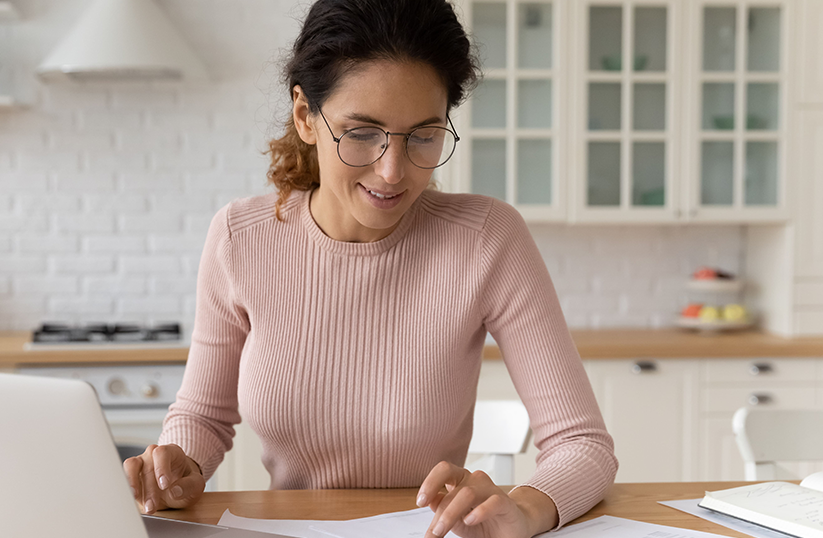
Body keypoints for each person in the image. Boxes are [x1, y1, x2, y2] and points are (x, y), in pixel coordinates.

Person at [123, 1, 618, 536]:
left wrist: (527, 505)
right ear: (305, 116)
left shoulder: (486, 239)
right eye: (361, 132)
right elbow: (204, 417)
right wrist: (179, 466)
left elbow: (582, 444)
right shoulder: (241, 238)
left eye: (424, 135)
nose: (391, 171)